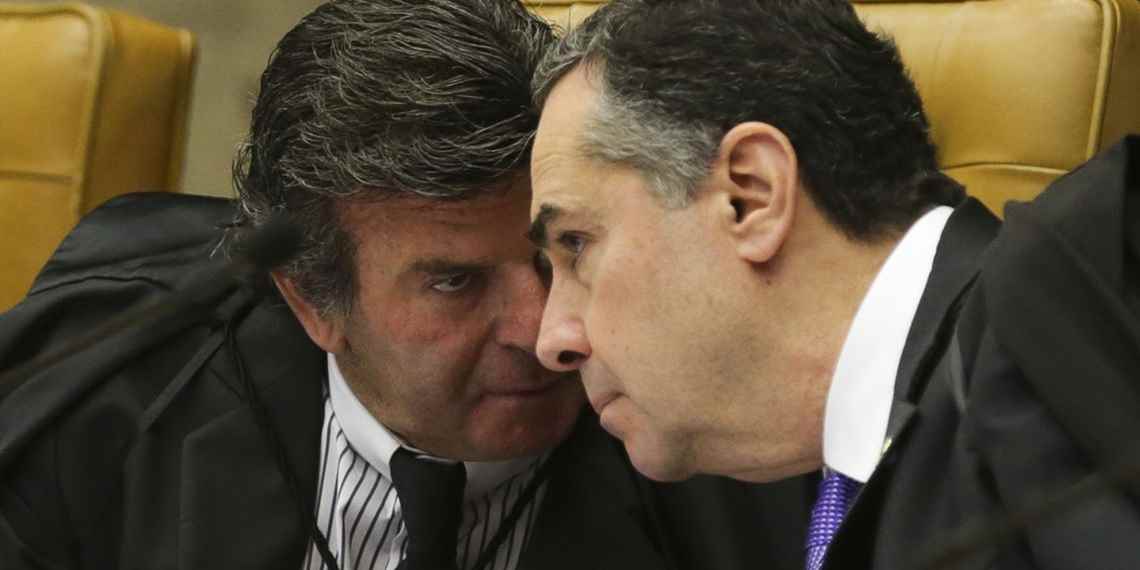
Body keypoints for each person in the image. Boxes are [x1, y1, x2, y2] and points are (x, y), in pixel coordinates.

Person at [0, 1, 814, 569]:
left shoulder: (736, 453)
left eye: (562, 251)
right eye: (456, 282)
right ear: (312, 301)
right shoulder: (107, 393)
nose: (545, 329)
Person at [528, 0, 1140, 569]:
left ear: (751, 195)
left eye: (576, 244)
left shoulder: (1093, 270)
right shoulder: (796, 478)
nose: (551, 338)